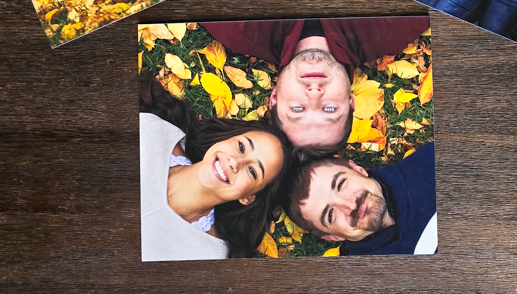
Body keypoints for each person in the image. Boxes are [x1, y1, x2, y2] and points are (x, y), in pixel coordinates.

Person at [202, 16, 431, 155]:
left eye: (297, 109)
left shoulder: (236, 28)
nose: (313, 94)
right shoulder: (393, 29)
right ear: (350, 101)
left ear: (274, 98)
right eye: (329, 110)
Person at [138, 75, 290, 260]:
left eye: (252, 171)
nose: (236, 162)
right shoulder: (152, 131)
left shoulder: (208, 255)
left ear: (247, 198)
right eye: (241, 147)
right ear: (225, 139)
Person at [286, 142, 437, 256]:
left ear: (358, 169)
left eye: (341, 184)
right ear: (333, 237)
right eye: (330, 215)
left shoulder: (434, 161)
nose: (350, 205)